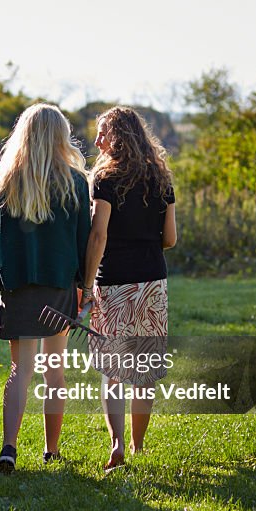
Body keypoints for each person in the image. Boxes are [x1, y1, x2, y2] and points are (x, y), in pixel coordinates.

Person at [0, 103, 91, 474]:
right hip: (58, 287)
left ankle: (9, 448)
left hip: (17, 288)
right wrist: (85, 286)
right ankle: (51, 451)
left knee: (20, 371)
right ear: (61, 136)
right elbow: (83, 239)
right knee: (54, 371)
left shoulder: (5, 180)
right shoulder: (74, 182)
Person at [81, 106, 177, 472]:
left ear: (117, 136)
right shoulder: (162, 179)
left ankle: (117, 443)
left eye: (102, 133)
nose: (97, 141)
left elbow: (99, 233)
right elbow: (169, 238)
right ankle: (137, 447)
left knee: (113, 369)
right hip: (152, 281)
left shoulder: (104, 178)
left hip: (114, 283)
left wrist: (86, 286)